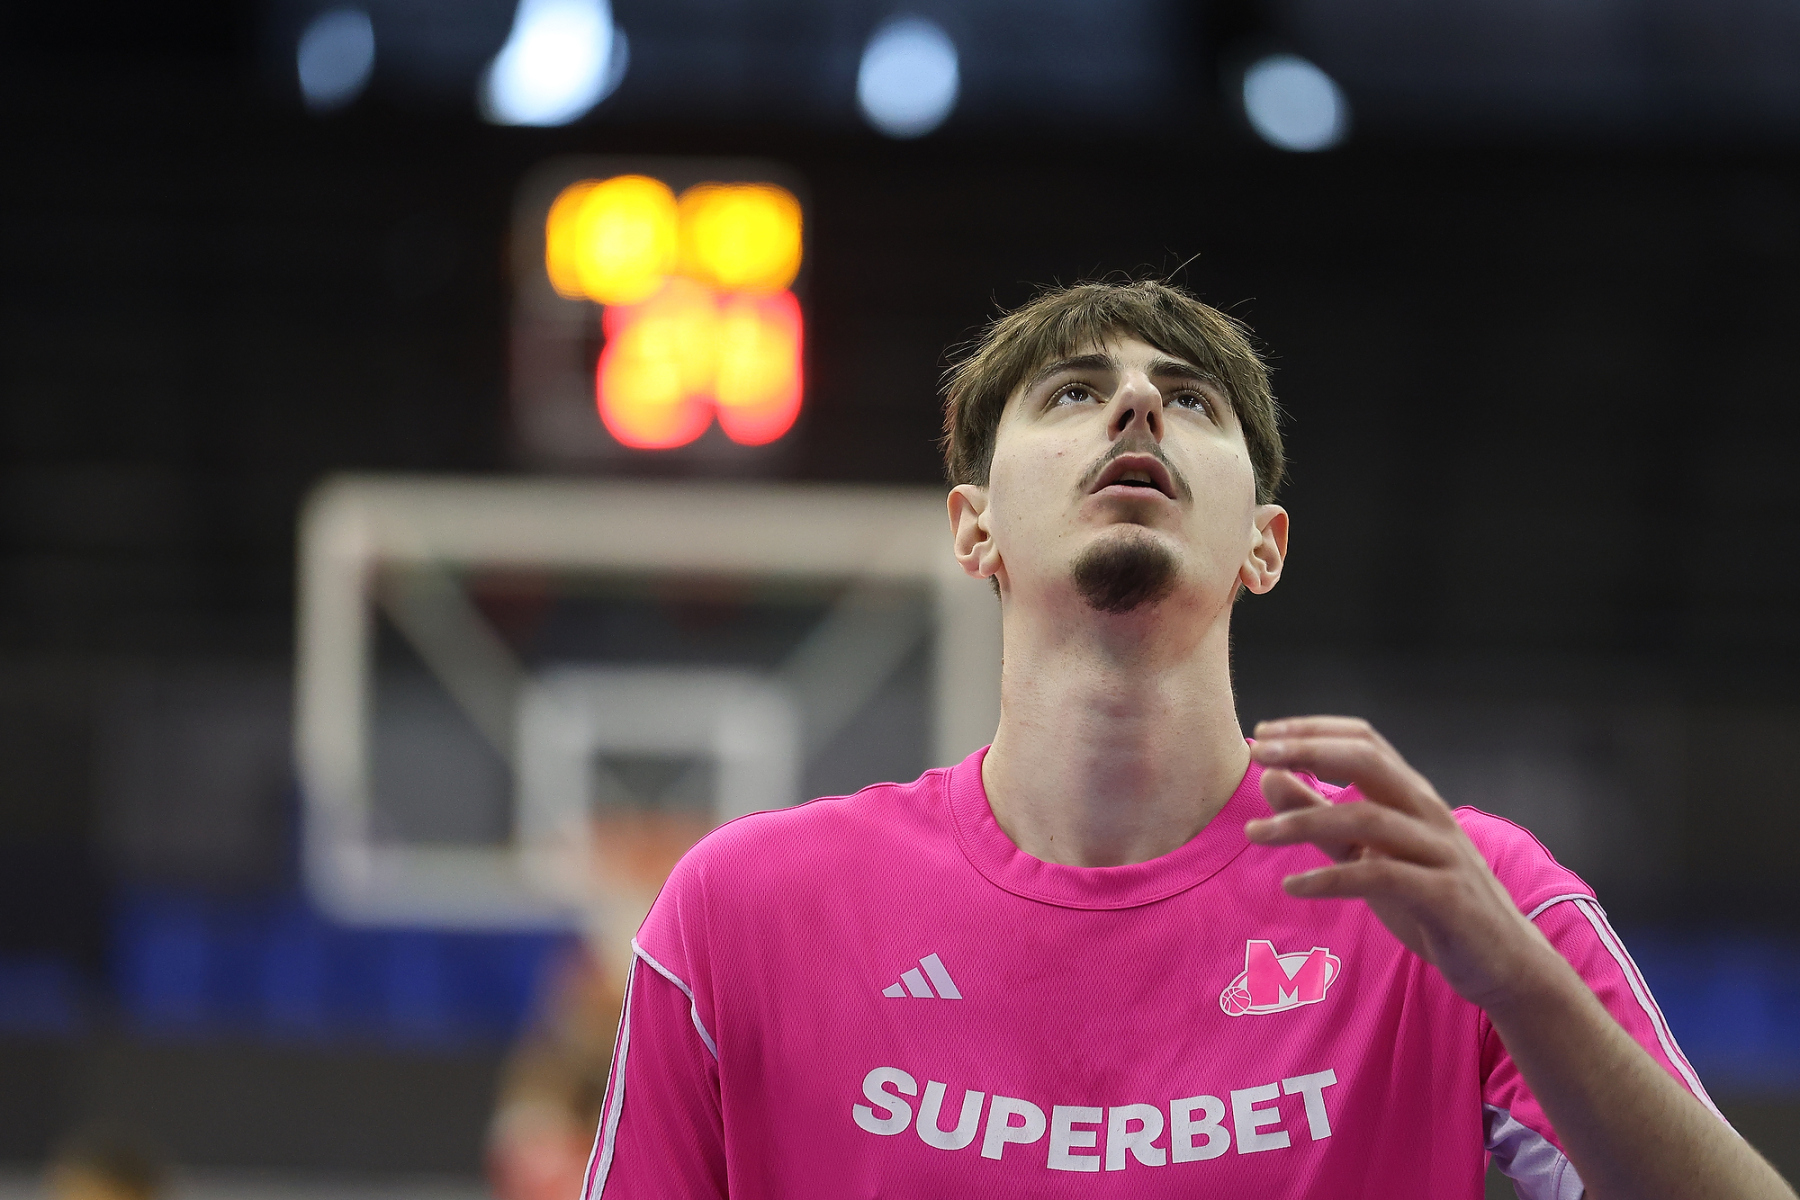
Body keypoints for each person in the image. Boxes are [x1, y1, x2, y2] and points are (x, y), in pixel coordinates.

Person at [581, 279, 1795, 1198]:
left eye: (1193, 400)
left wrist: (1522, 985)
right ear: (973, 528)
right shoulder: (743, 911)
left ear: (1266, 543)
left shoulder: (1454, 894)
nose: (1138, 404)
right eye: (1072, 392)